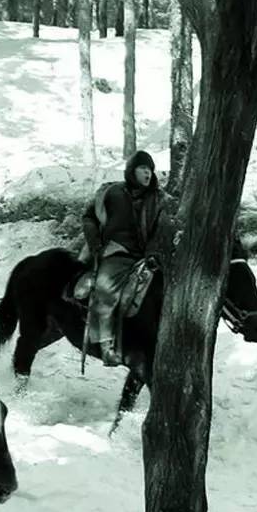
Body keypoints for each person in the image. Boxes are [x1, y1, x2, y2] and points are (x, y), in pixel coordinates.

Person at [80, 149, 174, 366]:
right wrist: (95, 244)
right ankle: (105, 345)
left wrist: (153, 252)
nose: (148, 173)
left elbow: (163, 229)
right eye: (143, 168)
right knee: (104, 289)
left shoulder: (159, 199)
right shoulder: (111, 193)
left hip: (148, 257)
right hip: (117, 252)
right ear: (132, 171)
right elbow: (89, 217)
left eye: (150, 169)